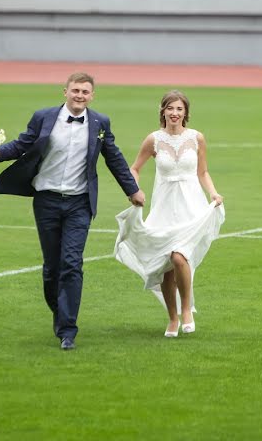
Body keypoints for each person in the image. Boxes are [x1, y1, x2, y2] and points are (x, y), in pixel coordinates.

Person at [0, 72, 145, 351]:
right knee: (52, 267)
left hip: (79, 203)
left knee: (71, 263)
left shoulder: (99, 123)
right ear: (65, 92)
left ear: (92, 96)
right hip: (46, 200)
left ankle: (68, 330)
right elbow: (23, 144)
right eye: (75, 91)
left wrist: (132, 190)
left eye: (85, 92)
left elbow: (114, 158)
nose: (79, 96)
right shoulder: (44, 117)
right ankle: (61, 314)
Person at [113, 90, 225, 338]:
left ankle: (186, 309)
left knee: (179, 257)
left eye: (179, 109)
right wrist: (134, 190)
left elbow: (202, 172)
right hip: (164, 207)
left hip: (190, 206)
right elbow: (135, 168)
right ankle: (172, 318)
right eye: (170, 108)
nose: (174, 113)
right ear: (162, 111)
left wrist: (214, 194)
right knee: (166, 264)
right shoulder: (153, 140)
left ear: (185, 113)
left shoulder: (196, 138)